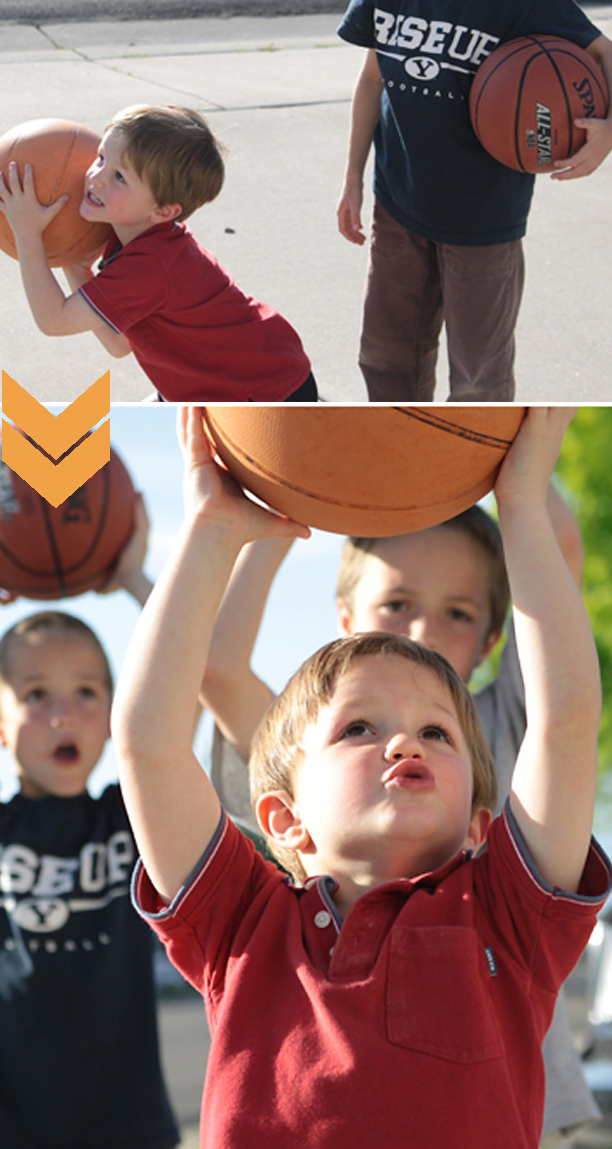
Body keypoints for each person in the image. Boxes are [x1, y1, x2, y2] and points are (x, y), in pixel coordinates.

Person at [111, 407, 610, 1149]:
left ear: (482, 820)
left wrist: (524, 501)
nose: (404, 739)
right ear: (282, 818)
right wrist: (211, 530)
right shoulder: (242, 927)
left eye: (436, 732)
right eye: (358, 728)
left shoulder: (507, 916)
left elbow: (564, 724)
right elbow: (147, 741)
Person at [336, 0, 612, 401]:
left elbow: (602, 55)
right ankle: (397, 460)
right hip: (398, 207)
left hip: (484, 225)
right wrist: (352, 181)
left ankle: (461, 473)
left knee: (479, 377)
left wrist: (606, 134)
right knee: (386, 360)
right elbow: (370, 80)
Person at [0, 526, 179, 1149]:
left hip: (122, 1130)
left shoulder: (129, 816)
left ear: (117, 716)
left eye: (87, 691)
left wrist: (137, 580)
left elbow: (189, 672)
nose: (64, 713)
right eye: (36, 695)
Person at [0, 102, 317, 402]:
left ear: (163, 210)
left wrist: (28, 233)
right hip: (230, 373)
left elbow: (54, 320)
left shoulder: (150, 267)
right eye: (101, 158)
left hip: (263, 393)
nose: (96, 178)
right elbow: (120, 344)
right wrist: (74, 264)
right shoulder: (145, 241)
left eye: (119, 177)